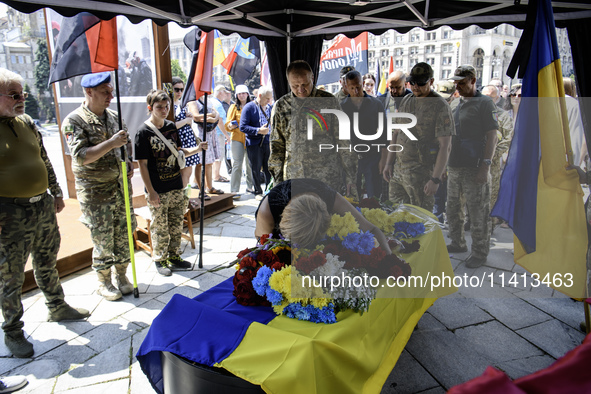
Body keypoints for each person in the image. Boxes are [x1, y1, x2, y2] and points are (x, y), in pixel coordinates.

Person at [0, 68, 89, 358]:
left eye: (22, 93)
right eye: (14, 95)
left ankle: (57, 306)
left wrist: (56, 191)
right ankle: (13, 331)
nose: (21, 99)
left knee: (47, 258)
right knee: (10, 276)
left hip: (41, 207)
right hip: (9, 214)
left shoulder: (25, 121)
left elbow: (43, 157)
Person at [64, 71, 136, 302]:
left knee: (124, 235)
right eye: (105, 92)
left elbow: (127, 143)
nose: (110, 97)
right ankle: (104, 281)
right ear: (89, 92)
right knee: (103, 238)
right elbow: (81, 157)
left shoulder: (114, 117)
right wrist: (111, 143)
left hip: (119, 188)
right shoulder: (74, 121)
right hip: (96, 193)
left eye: (111, 92)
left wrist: (129, 160)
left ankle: (122, 276)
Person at [135, 90, 208, 276]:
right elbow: (142, 165)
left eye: (166, 106)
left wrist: (197, 149)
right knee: (160, 227)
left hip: (176, 185)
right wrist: (150, 191)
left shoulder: (170, 126)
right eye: (159, 107)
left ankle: (174, 255)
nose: (164, 110)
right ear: (150, 108)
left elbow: (178, 152)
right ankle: (160, 259)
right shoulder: (143, 132)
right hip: (157, 188)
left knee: (176, 223)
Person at [269, 60, 356, 194]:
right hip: (295, 178)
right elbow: (277, 146)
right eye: (295, 85)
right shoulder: (282, 106)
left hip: (327, 177)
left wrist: (351, 176)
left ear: (313, 78)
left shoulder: (329, 102)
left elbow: (343, 141)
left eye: (305, 84)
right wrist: (277, 182)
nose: (300, 90)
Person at [383, 62, 454, 212]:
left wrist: (435, 179)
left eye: (421, 83)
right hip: (399, 171)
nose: (415, 86)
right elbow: (396, 133)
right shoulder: (407, 100)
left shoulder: (439, 106)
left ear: (431, 82)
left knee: (419, 220)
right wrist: (389, 163)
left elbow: (445, 146)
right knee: (394, 216)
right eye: (412, 82)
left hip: (421, 173)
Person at [447, 65, 499, 268]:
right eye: (456, 83)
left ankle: (479, 251)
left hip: (475, 166)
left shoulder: (485, 103)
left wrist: (485, 167)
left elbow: (492, 136)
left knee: (478, 212)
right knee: (452, 209)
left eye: (462, 82)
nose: (458, 86)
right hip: (455, 166)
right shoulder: (456, 103)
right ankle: (458, 242)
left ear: (473, 80)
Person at [255, 178, 391, 254]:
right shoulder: (267, 212)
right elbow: (263, 247)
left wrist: (389, 258)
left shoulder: (330, 198)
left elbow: (372, 229)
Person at [340, 70, 387, 199]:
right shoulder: (342, 107)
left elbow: (384, 133)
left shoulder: (376, 104)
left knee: (374, 197)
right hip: (351, 159)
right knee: (352, 198)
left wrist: (383, 159)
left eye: (358, 87)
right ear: (346, 87)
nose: (356, 91)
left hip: (372, 157)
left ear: (362, 84)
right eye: (352, 88)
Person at [482, 85, 514, 215]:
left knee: (491, 193)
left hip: (492, 163)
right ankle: (469, 220)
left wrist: (493, 155)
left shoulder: (502, 115)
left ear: (497, 98)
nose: (487, 99)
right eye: (485, 96)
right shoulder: (473, 112)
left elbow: (507, 138)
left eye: (491, 97)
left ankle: (489, 222)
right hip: (472, 160)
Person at [240, 85, 273, 198]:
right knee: (256, 168)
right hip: (254, 143)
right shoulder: (249, 107)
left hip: (267, 142)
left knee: (269, 168)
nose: (269, 101)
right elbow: (242, 127)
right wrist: (258, 130)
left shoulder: (270, 107)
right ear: (259, 96)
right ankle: (257, 191)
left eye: (270, 98)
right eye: (267, 98)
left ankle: (269, 191)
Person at [188, 95, 224, 197]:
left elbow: (216, 114)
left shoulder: (207, 99)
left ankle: (210, 187)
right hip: (199, 133)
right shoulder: (193, 101)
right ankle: (201, 190)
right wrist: (211, 116)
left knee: (209, 162)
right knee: (200, 163)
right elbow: (195, 116)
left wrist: (213, 117)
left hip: (210, 132)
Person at [225, 84, 255, 198]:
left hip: (250, 138)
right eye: (239, 94)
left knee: (250, 164)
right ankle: (234, 190)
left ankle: (250, 186)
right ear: (236, 95)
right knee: (237, 164)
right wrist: (231, 126)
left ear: (248, 94)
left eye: (244, 93)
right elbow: (227, 124)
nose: (242, 96)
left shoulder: (253, 106)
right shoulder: (233, 107)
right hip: (237, 138)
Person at [171, 77, 199, 187]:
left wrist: (188, 119)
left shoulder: (182, 104)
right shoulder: (169, 106)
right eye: (176, 89)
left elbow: (188, 124)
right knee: (182, 173)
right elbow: (170, 126)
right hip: (178, 141)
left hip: (187, 139)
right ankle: (184, 198)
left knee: (187, 172)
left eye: (182, 90)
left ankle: (186, 197)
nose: (179, 92)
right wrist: (186, 120)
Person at [212, 85, 231, 183]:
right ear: (220, 93)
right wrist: (226, 135)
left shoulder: (214, 102)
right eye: (225, 92)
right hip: (219, 133)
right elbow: (219, 120)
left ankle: (216, 174)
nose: (226, 95)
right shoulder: (218, 104)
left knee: (217, 155)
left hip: (215, 132)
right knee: (219, 155)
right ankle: (216, 175)